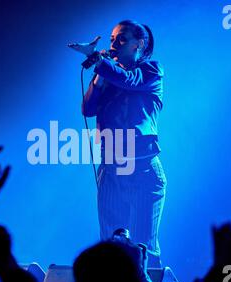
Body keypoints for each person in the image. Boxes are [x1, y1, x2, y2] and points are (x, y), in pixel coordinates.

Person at [69, 20, 167, 267]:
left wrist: (101, 63)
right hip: (111, 170)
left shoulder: (152, 71)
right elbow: (88, 109)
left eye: (121, 39)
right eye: (112, 39)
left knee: (143, 249)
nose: (114, 44)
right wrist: (100, 76)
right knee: (111, 249)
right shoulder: (109, 75)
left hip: (143, 171)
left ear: (139, 44)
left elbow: (129, 80)